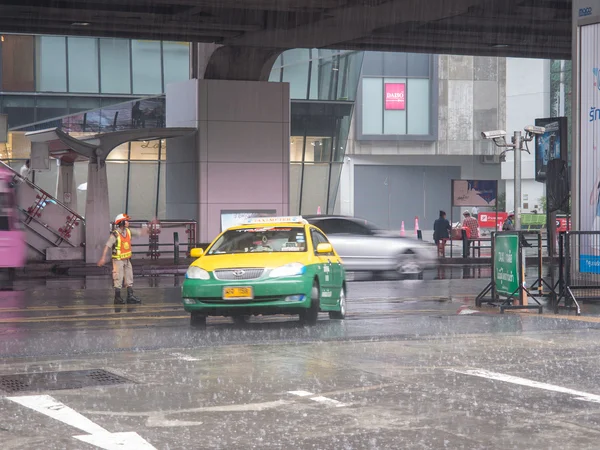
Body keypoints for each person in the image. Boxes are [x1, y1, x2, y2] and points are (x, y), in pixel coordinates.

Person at [97, 213, 148, 304]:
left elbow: (141, 232)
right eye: (126, 221)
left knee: (129, 277)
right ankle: (117, 298)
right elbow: (107, 246)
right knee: (118, 278)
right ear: (122, 223)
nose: (128, 222)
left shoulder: (128, 231)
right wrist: (103, 258)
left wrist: (149, 229)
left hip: (127, 260)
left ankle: (130, 296)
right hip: (118, 260)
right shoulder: (115, 234)